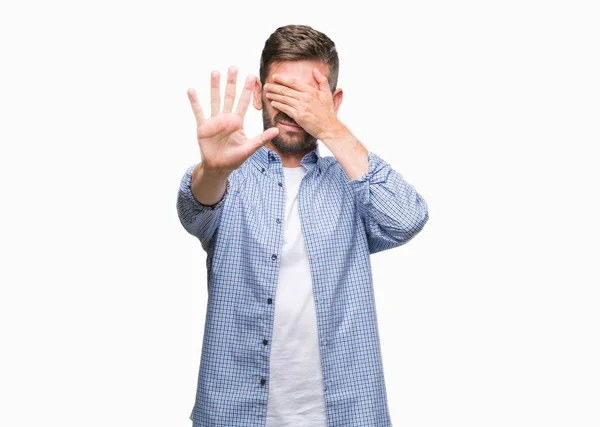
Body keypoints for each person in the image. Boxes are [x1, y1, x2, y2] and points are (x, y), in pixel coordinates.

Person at [176, 24, 429, 427]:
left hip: (346, 413)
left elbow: (407, 218)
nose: (294, 107)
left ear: (334, 100)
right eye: (282, 91)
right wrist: (212, 169)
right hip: (235, 412)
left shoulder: (351, 181)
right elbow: (195, 209)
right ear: (259, 93)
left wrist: (330, 128)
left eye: (309, 95)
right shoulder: (228, 176)